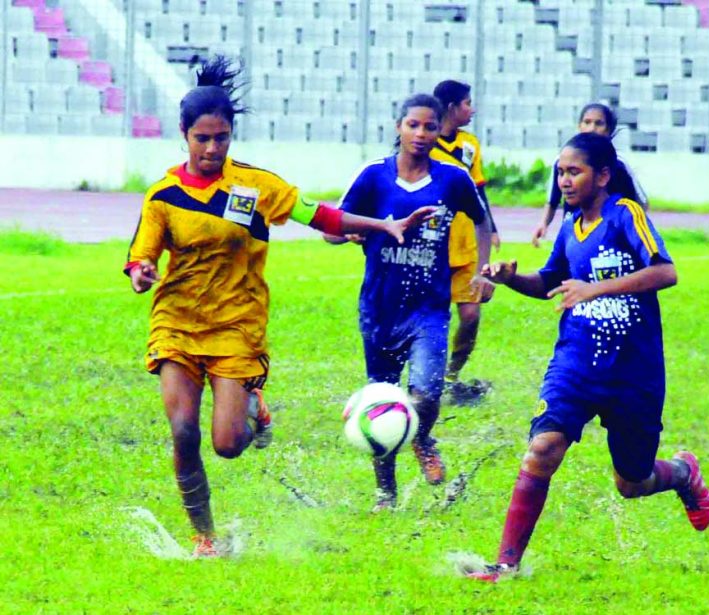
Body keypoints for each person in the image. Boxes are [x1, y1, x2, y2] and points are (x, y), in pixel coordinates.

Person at [125, 56, 433, 557]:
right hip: (176, 323)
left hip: (236, 327)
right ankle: (204, 535)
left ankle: (252, 410)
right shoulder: (162, 196)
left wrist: (383, 226)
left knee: (226, 444)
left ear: (231, 136)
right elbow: (142, 252)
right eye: (202, 138)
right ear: (183, 134)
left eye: (221, 138)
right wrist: (141, 272)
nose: (211, 148)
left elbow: (321, 215)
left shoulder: (255, 186)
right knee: (183, 431)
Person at [466, 133, 709, 582]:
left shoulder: (625, 215)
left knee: (632, 482)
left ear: (602, 175)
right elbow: (550, 284)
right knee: (542, 449)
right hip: (577, 364)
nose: (564, 180)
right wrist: (510, 278)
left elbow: (665, 271)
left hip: (633, 373)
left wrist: (593, 288)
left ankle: (681, 473)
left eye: (573, 171)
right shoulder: (569, 228)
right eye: (560, 172)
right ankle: (505, 564)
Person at [332, 94, 493, 511]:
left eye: (430, 127)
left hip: (429, 309)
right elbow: (333, 227)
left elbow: (481, 220)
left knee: (426, 393)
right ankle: (386, 493)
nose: (421, 134)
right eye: (413, 126)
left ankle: (421, 436)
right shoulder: (373, 177)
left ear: (440, 130)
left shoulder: (452, 179)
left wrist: (481, 270)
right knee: (381, 402)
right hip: (380, 308)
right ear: (398, 127)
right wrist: (353, 232)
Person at [431, 79, 499, 405]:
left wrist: (493, 227)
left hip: (467, 241)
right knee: (431, 318)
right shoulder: (423, 143)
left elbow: (479, 192)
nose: (472, 109)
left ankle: (451, 377)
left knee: (470, 315)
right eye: (468, 103)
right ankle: (425, 377)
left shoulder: (470, 144)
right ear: (452, 107)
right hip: (432, 245)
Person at [531, 103, 648, 247]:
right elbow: (552, 201)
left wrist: (634, 230)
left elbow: (640, 201)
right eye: (587, 122)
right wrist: (543, 224)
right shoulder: (561, 161)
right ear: (579, 126)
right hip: (574, 234)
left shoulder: (618, 165)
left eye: (599, 123)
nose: (592, 128)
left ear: (609, 129)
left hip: (608, 236)